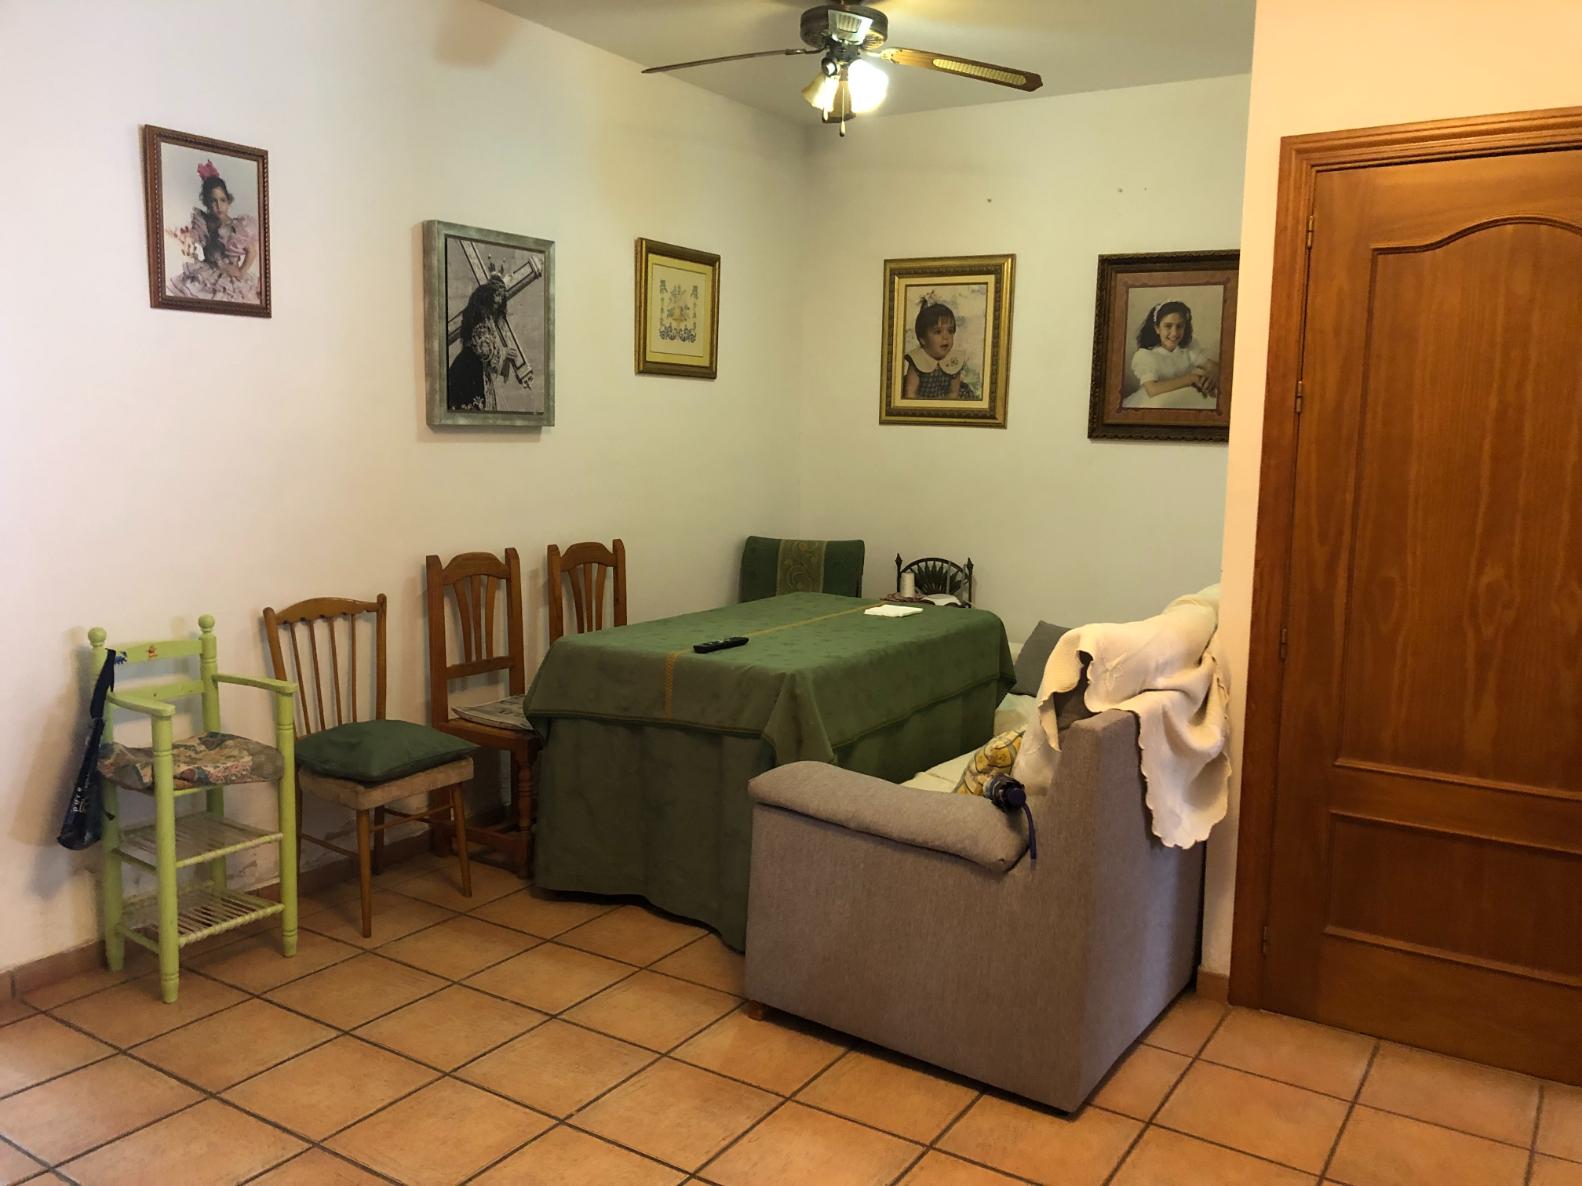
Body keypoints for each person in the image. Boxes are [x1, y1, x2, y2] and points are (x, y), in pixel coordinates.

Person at [167, 160, 260, 303]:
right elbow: (194, 236)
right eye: (213, 201)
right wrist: (185, 237)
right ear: (206, 203)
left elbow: (252, 252)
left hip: (229, 279)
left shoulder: (236, 227)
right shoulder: (204, 222)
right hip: (207, 274)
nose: (219, 206)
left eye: (222, 200)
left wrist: (241, 272)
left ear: (228, 201)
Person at [446, 272, 531, 412]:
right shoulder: (479, 316)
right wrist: (504, 353)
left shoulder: (487, 317)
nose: (499, 300)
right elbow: (483, 349)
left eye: (501, 297)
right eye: (497, 295)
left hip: (477, 369)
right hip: (469, 369)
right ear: (487, 295)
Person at [1124, 300, 1219, 408]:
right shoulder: (1146, 356)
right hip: (1157, 401)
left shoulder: (1187, 349)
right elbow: (1152, 390)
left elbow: (1213, 366)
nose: (1174, 333)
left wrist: (1211, 377)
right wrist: (1190, 379)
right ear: (1157, 328)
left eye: (1180, 326)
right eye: (1168, 326)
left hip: (1184, 397)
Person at [902, 298, 975, 400]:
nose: (946, 337)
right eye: (938, 332)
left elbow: (953, 393)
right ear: (923, 339)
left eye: (950, 331)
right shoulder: (917, 361)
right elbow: (910, 393)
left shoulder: (953, 360)